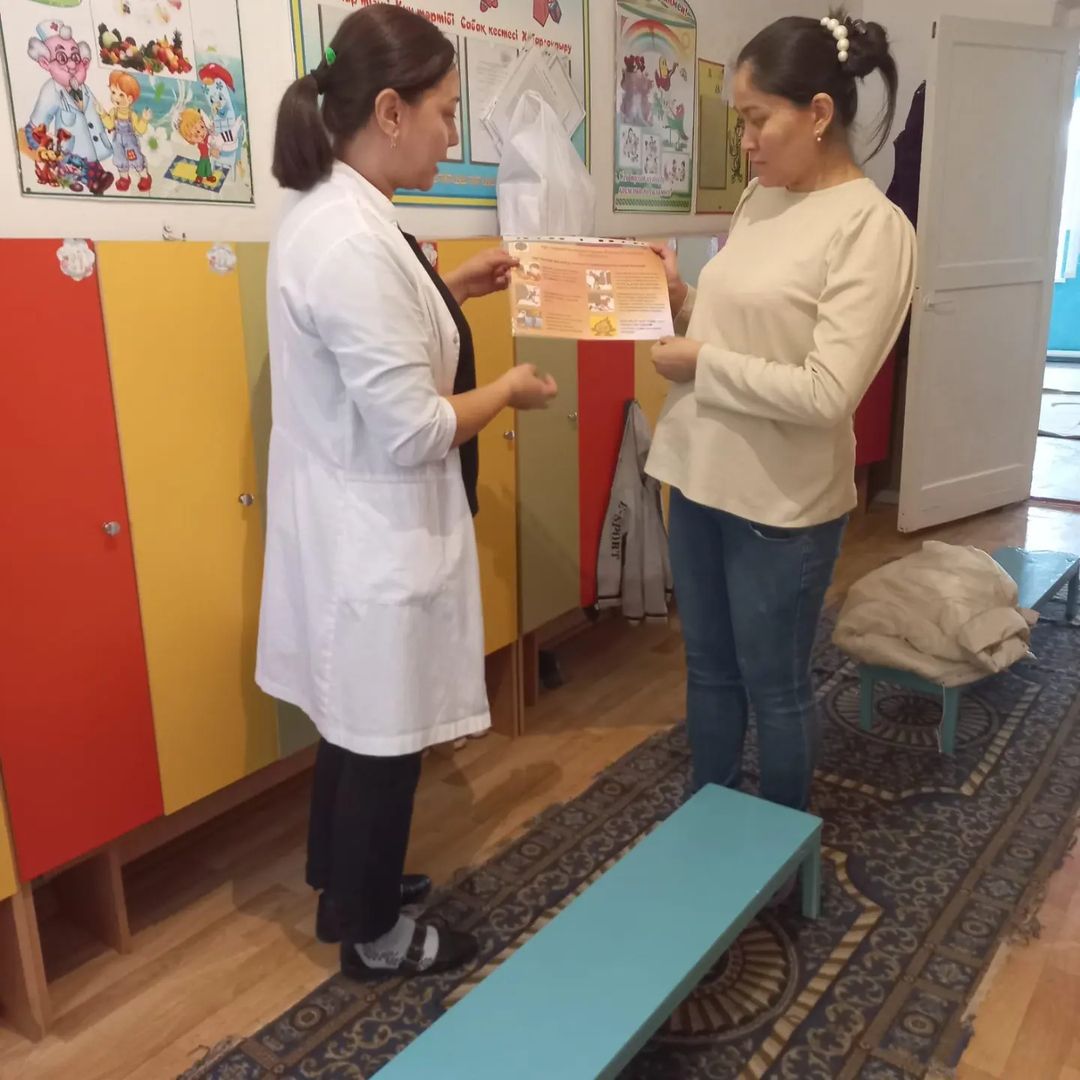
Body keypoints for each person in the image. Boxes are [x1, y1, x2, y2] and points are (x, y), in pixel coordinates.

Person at [257, 4, 557, 980]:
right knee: (380, 739)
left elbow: (385, 330)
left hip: (355, 526)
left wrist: (453, 287)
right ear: (389, 111)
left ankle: (343, 883)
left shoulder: (345, 215)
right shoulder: (348, 240)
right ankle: (376, 939)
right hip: (370, 534)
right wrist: (506, 391)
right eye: (445, 111)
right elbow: (415, 425)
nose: (451, 133)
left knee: (356, 728)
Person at [646, 11, 916, 814]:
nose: (747, 142)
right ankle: (712, 820)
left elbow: (827, 392)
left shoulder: (873, 229)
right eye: (742, 121)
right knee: (708, 669)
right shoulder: (760, 201)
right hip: (700, 474)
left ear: (819, 113)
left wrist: (703, 362)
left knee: (775, 686)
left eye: (757, 119)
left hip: (781, 504)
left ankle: (776, 849)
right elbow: (741, 327)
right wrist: (683, 299)